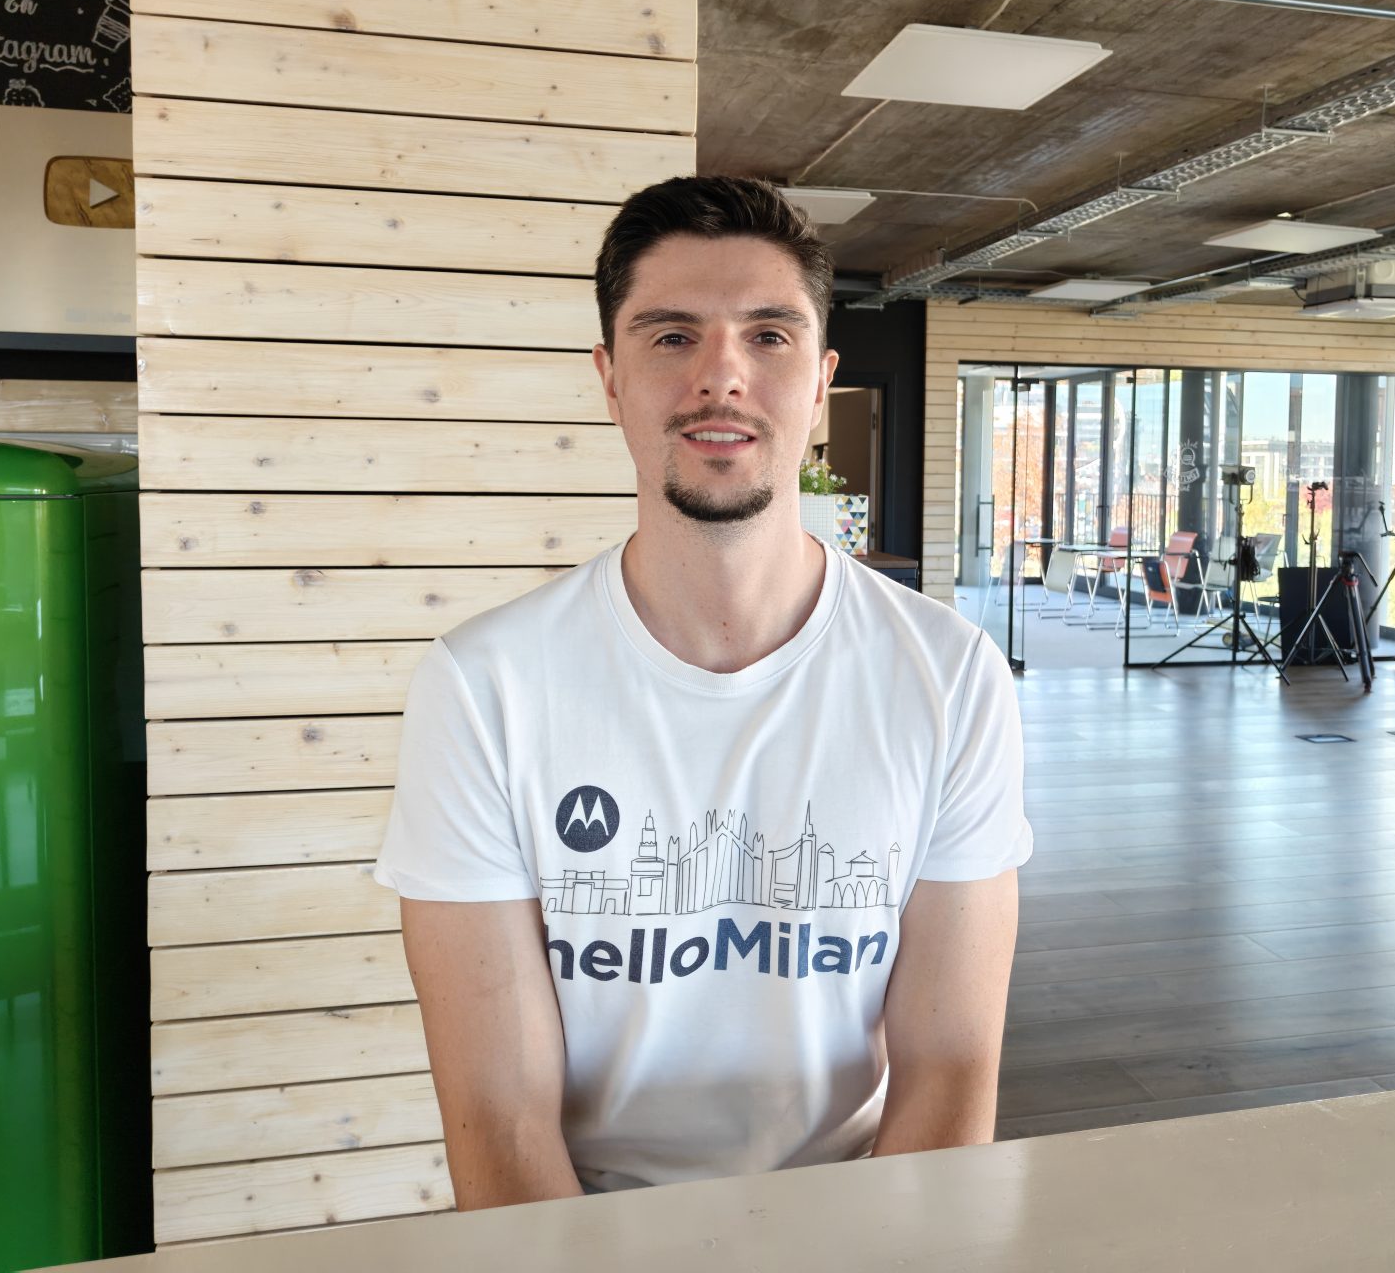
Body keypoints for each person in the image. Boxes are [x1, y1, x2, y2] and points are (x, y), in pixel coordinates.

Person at [373, 175, 1031, 1206]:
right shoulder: (484, 686)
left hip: (857, 1218)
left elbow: (950, 1073)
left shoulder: (951, 675)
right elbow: (500, 1119)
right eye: (672, 336)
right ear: (609, 377)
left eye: (769, 336)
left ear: (820, 380)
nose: (721, 375)